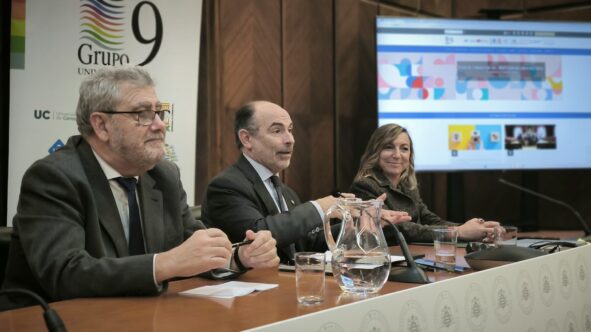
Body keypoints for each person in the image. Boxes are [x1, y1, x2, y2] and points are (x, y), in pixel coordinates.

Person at [0, 67, 278, 310]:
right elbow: (65, 274)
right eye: (143, 114)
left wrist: (237, 256)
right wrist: (164, 264)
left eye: (159, 112)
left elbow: (193, 248)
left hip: (140, 315)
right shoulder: (53, 178)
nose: (159, 125)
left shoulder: (163, 176)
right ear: (101, 125)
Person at [201, 101, 407, 263]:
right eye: (277, 130)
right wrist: (321, 207)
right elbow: (258, 235)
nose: (290, 139)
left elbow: (306, 243)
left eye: (290, 129)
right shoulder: (226, 186)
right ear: (247, 139)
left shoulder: (285, 191)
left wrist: (357, 225)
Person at [350, 123, 502, 243]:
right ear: (375, 152)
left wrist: (477, 229)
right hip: (389, 262)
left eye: (404, 149)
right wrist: (459, 232)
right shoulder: (365, 185)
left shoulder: (407, 186)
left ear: (410, 156)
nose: (397, 155)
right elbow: (401, 230)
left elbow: (431, 220)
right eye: (388, 147)